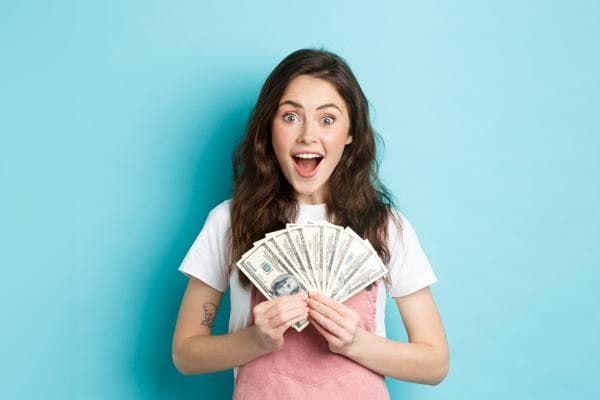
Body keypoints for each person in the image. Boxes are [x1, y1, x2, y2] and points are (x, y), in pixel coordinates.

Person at [172, 48, 449, 399]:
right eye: (290, 117)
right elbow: (185, 354)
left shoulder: (386, 226)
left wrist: (355, 343)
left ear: (351, 133)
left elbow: (435, 362)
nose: (307, 135)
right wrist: (255, 340)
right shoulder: (229, 221)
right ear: (268, 128)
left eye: (327, 120)